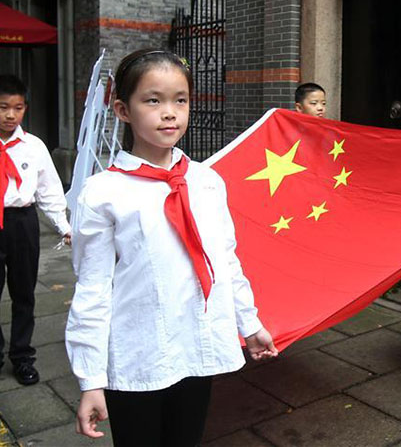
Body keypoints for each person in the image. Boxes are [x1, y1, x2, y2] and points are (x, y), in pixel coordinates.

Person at [66, 49, 277, 446]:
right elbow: (92, 290)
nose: (169, 113)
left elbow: (224, 260)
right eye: (153, 100)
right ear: (123, 110)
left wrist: (249, 324)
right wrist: (90, 378)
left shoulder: (207, 182)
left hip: (196, 347)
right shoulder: (103, 192)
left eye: (180, 100)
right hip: (137, 354)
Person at [0, 74, 71, 393]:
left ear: (25, 109)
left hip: (23, 223)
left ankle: (22, 357)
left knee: (24, 293)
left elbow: (49, 191)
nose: (10, 115)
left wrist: (64, 227)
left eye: (18, 108)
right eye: (3, 107)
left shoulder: (34, 147)